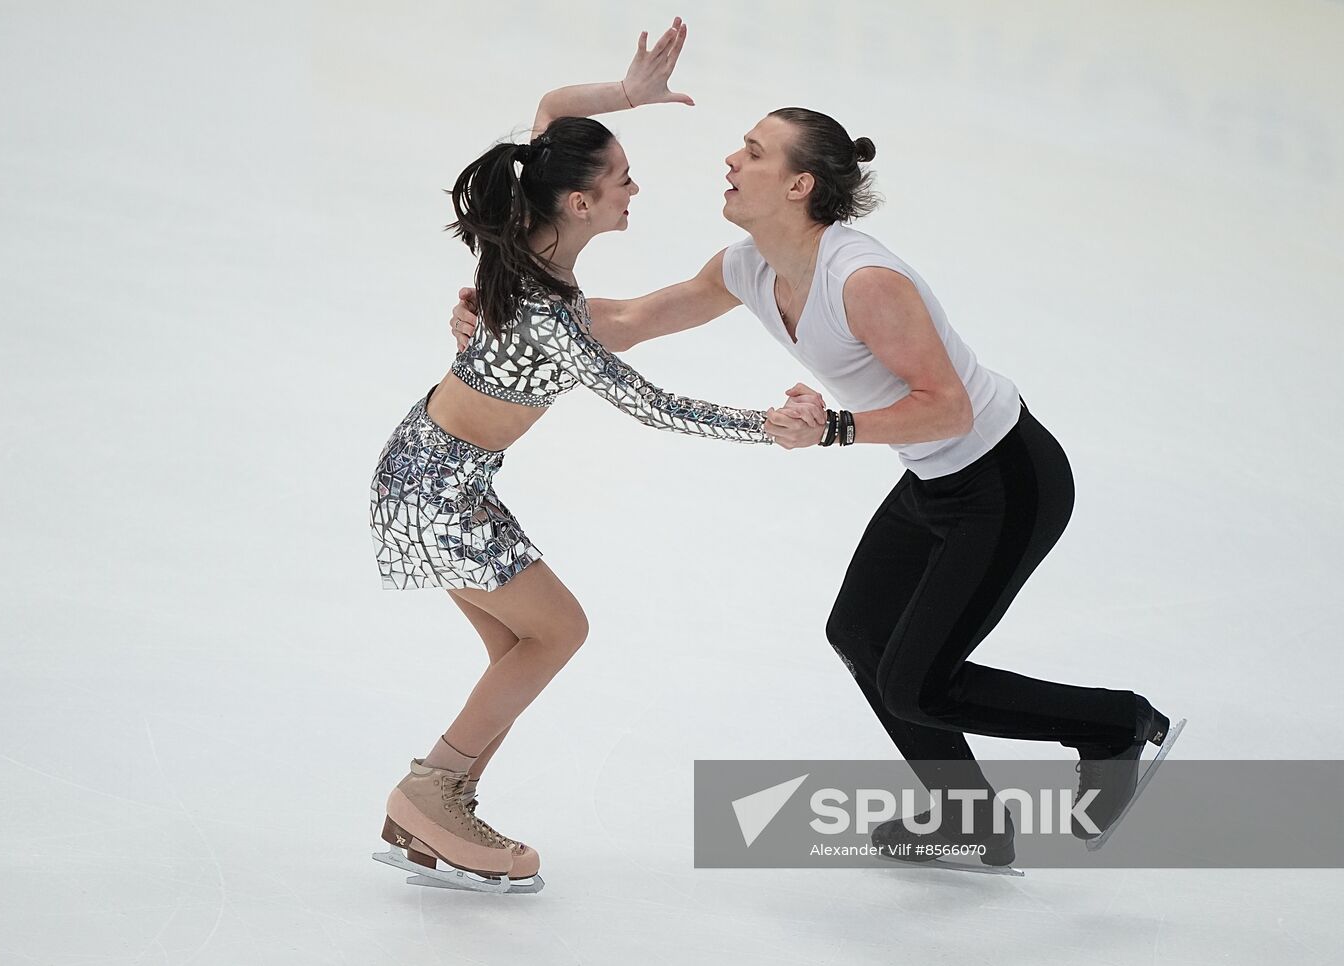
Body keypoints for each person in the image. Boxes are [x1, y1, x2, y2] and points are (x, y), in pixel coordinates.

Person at [451, 107, 1184, 871]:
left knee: (915, 686)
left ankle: (1113, 725)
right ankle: (969, 816)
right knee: (860, 636)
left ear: (799, 185)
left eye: (755, 152)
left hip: (1007, 480)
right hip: (936, 481)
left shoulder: (862, 281)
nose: (731, 159)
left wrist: (833, 428)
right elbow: (633, 318)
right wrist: (510, 316)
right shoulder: (749, 267)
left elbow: (948, 406)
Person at [370, 18, 821, 894]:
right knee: (557, 631)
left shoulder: (519, 219)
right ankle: (429, 790)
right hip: (437, 485)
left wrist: (626, 96)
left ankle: (441, 801)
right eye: (620, 179)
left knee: (520, 644)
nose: (631, 187)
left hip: (429, 467)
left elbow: (547, 112)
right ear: (579, 204)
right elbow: (652, 406)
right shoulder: (554, 319)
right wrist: (763, 424)